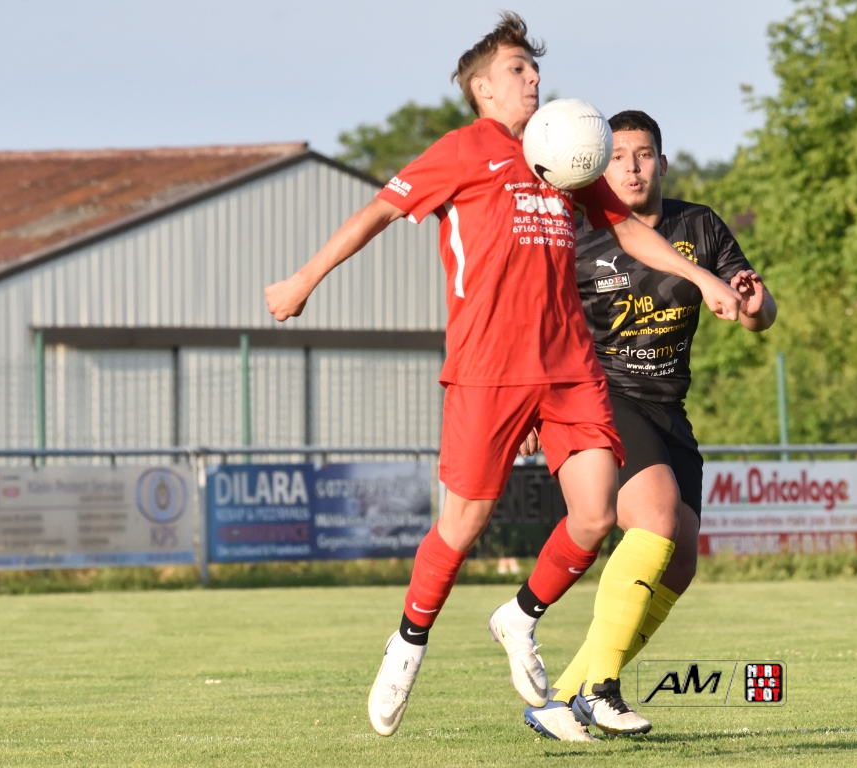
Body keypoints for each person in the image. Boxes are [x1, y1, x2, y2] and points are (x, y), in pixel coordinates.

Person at [263, 17, 745, 738]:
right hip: (488, 368)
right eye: (518, 68)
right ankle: (407, 643)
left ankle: (519, 616)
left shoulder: (564, 153)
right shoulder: (463, 150)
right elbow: (377, 213)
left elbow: (627, 230)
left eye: (534, 68)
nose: (533, 78)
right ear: (482, 89)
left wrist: (701, 277)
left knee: (594, 515)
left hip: (569, 368)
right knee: (462, 524)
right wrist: (304, 279)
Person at [521, 110, 776, 741]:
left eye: (642, 155)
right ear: (598, 167)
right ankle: (602, 690)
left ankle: (566, 696)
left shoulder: (700, 225)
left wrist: (751, 299)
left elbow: (758, 314)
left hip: (667, 408)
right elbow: (538, 326)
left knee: (680, 561)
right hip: (599, 397)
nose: (631, 168)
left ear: (662, 163)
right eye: (618, 157)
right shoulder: (577, 233)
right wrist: (528, 406)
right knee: (656, 518)